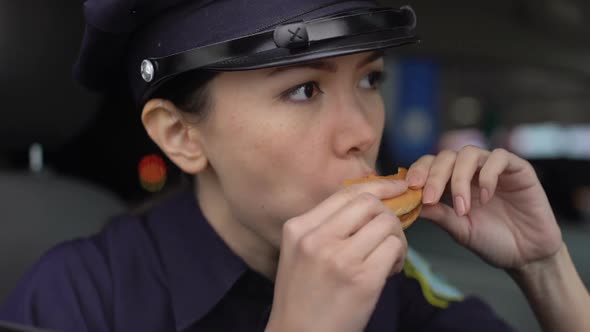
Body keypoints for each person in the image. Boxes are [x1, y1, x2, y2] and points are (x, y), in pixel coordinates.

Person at [1, 0, 589, 331]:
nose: (363, 131)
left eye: (370, 79)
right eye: (304, 90)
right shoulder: (78, 298)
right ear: (181, 135)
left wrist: (545, 270)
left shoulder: (396, 282)